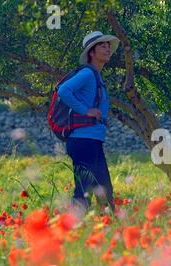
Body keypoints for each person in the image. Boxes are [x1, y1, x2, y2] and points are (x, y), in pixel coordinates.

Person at [58, 31, 120, 214]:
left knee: (103, 191)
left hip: (90, 142)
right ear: (91, 52)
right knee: (85, 191)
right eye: (102, 45)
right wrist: (86, 111)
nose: (107, 48)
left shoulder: (97, 76)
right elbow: (63, 91)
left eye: (108, 45)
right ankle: (70, 233)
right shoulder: (87, 73)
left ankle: (103, 232)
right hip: (83, 142)